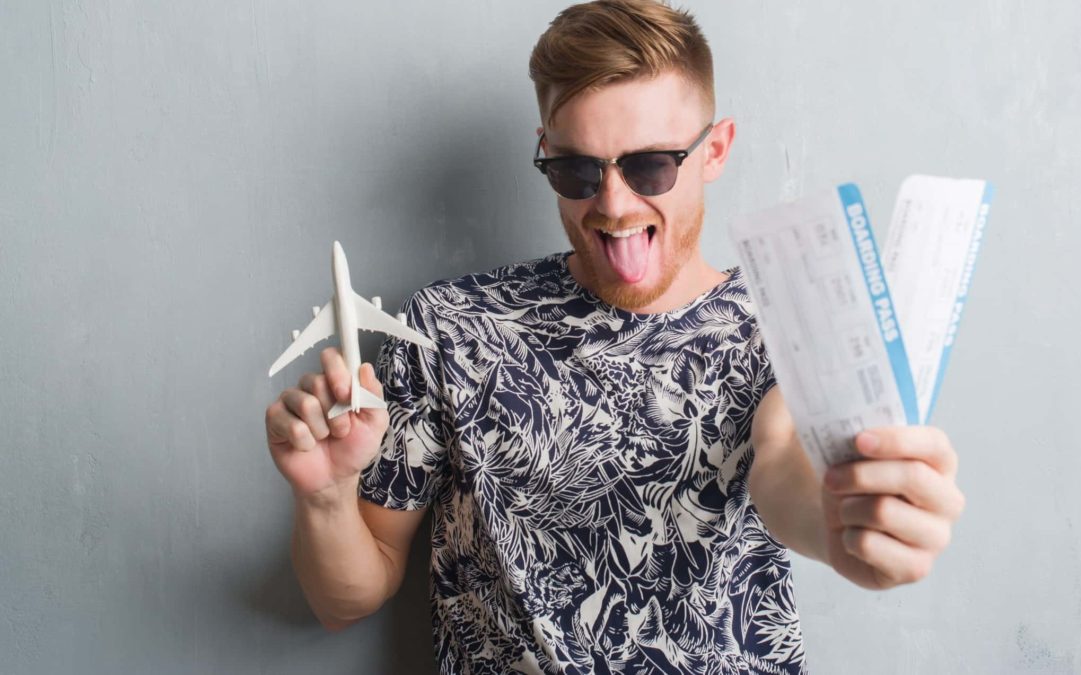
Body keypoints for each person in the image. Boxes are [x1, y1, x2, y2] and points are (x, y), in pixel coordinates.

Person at [263, 1, 965, 672]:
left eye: (650, 164)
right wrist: (325, 496)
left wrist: (852, 529)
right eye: (577, 169)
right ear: (545, 153)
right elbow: (344, 598)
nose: (614, 203)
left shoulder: (777, 321)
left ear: (714, 149)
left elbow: (783, 472)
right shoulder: (451, 327)